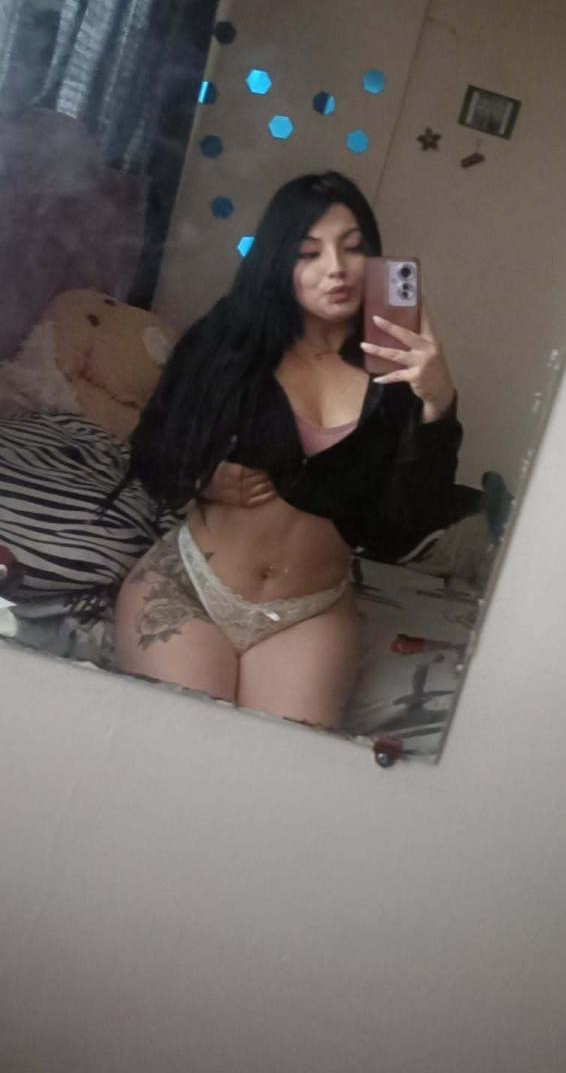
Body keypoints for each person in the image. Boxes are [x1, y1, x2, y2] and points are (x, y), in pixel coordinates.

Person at [114, 172, 461, 729]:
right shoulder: (230, 337)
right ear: (279, 261)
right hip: (191, 587)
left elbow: (405, 527)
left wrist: (438, 402)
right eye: (308, 252)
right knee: (183, 748)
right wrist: (203, 477)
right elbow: (152, 448)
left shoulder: (397, 374)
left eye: (353, 248)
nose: (336, 268)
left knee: (279, 766)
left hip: (309, 612)